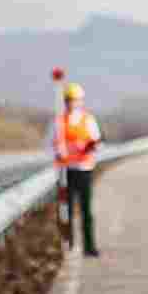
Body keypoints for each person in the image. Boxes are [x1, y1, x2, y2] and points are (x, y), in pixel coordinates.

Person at [48, 82, 103, 257]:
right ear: (66, 102)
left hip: (85, 169)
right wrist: (59, 152)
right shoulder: (60, 122)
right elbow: (53, 144)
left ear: (81, 101)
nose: (73, 103)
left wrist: (88, 147)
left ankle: (89, 246)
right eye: (70, 100)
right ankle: (68, 244)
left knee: (86, 210)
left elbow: (96, 142)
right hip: (67, 171)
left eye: (76, 100)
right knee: (67, 210)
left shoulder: (88, 120)